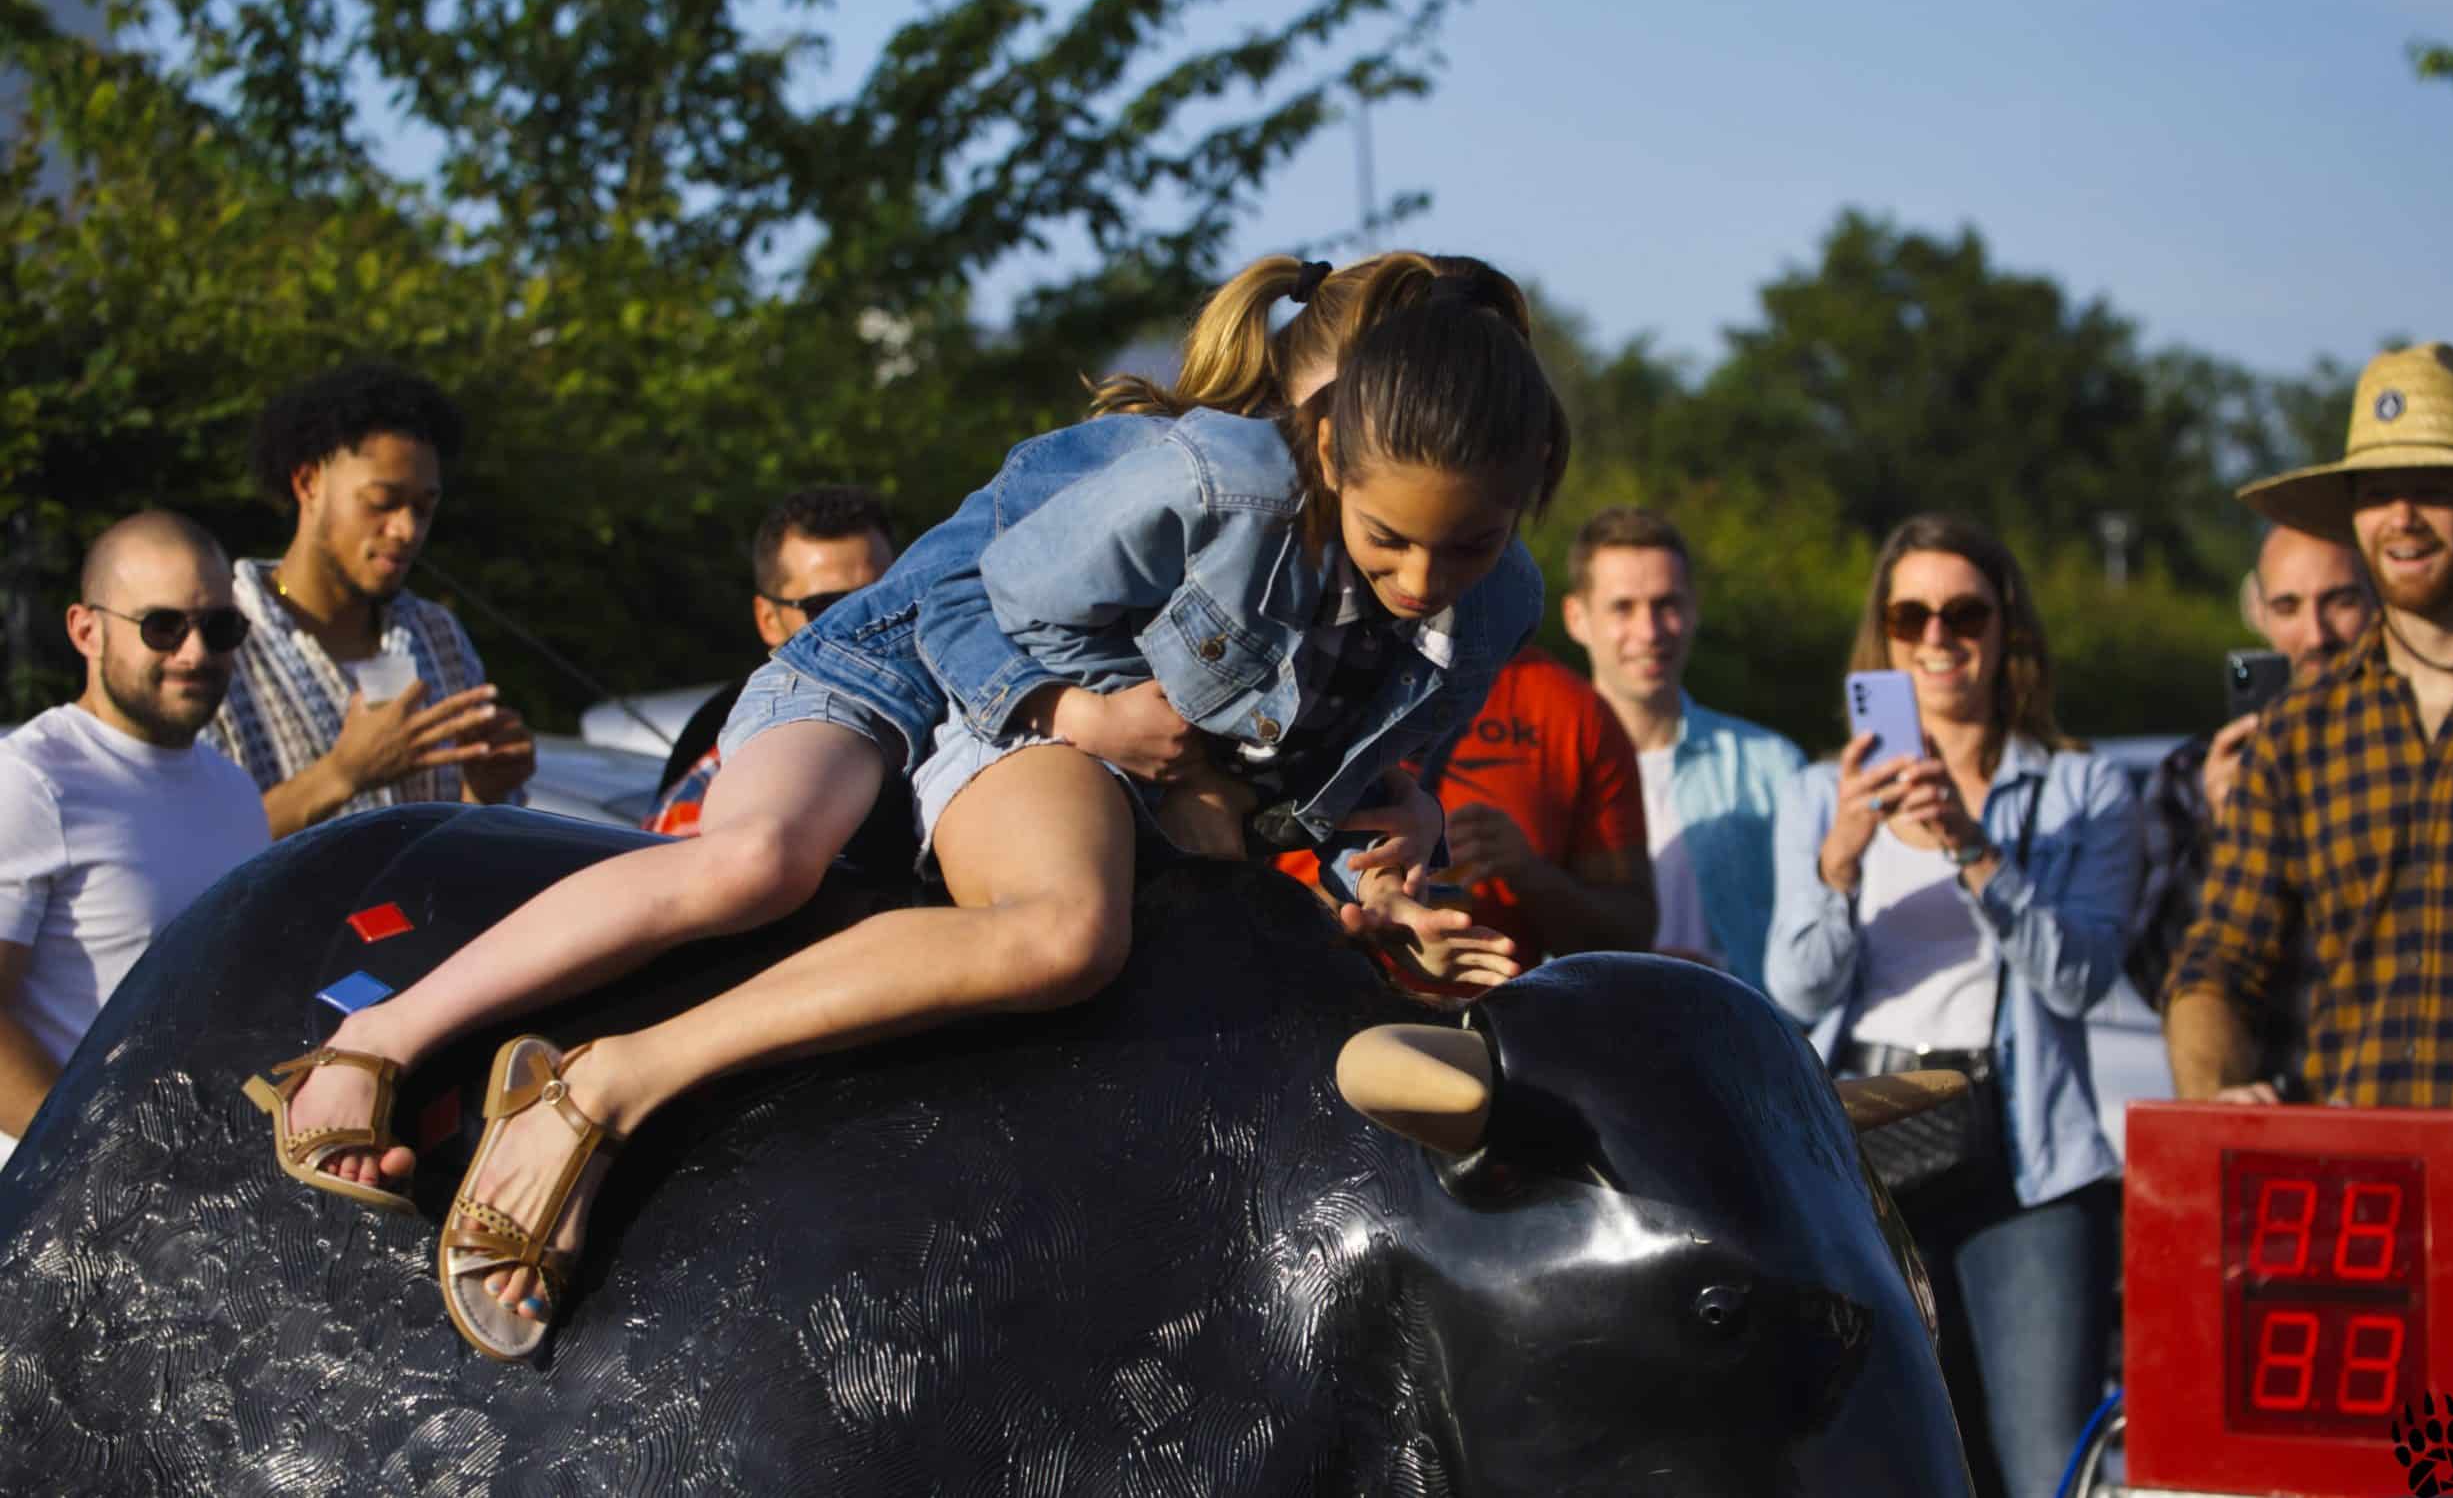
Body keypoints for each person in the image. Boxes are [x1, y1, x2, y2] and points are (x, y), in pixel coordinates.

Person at [243, 252, 1542, 1360]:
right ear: (1330, 422)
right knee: (757, 860)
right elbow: (979, 607)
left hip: (1067, 733)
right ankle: (395, 1047)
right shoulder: (1202, 474)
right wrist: (1080, 721)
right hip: (914, 661)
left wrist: (1390, 827)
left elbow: (1319, 748)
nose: (1421, 571)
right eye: (1384, 506)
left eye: (1465, 535)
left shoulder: (1451, 578)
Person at [1763, 514, 2138, 1498]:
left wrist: (1976, 851)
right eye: (1911, 613)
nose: (1937, 636)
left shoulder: (2079, 785)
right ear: (1882, 637)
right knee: (1893, 1452)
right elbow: (1793, 988)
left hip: (2027, 1155)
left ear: (2004, 627)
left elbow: (2085, 979)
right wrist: (1839, 857)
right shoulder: (1817, 792)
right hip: (1868, 1139)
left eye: (1963, 611)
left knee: (2041, 1454)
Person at [2164, 342, 2453, 1111]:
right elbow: (2218, 964)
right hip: (2359, 1199)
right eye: (2379, 493)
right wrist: (2212, 1095)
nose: (2402, 517)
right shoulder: (2300, 734)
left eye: (2432, 488)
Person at [1, 513, 268, 1166]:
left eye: (220, 627)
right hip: (50, 1214)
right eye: (162, 626)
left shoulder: (235, 791)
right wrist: (93, 1159)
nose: (195, 651)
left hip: (195, 1198)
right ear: (85, 630)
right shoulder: (32, 779)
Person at [210, 364, 535, 836]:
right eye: (382, 502)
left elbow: (461, 850)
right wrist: (343, 774)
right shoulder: (215, 642)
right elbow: (192, 851)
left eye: (424, 508)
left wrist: (483, 791)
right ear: (308, 484)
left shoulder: (437, 636)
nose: (406, 530)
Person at [2121, 526, 2371, 1010]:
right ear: (2257, 615)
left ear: (2379, 603)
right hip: (2260, 1074)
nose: (2316, 635)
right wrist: (2220, 830)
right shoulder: (2190, 776)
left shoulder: (2419, 755)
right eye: (2288, 607)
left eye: (2340, 602)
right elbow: (2158, 980)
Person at [1558, 507, 1805, 986]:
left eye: (1666, 604)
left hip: (1735, 1047)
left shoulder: (1774, 767)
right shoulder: (1537, 771)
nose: (1649, 632)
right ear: (1576, 617)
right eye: (1623, 607)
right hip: (1577, 1047)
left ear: (1693, 610)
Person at [646, 484, 902, 851]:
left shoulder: (962, 730)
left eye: (879, 597)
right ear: (768, 619)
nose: (861, 623)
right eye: (826, 606)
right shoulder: (707, 798)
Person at [1414, 644, 1656, 963]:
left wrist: (1530, 874)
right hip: (1346, 1003)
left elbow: (1631, 939)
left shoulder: (1573, 706)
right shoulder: (1332, 671)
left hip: (1504, 1003)